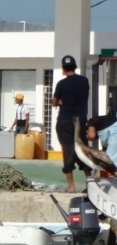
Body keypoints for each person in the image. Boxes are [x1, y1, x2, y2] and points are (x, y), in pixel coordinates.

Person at [53, 55, 92, 192]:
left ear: (63, 69)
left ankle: (71, 186)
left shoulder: (61, 84)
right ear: (75, 67)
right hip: (80, 120)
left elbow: (54, 102)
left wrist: (59, 101)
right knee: (83, 149)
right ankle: (90, 184)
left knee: (68, 149)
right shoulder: (84, 81)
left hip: (65, 120)